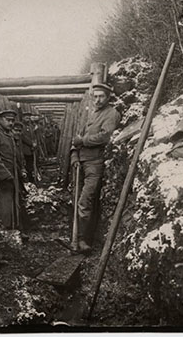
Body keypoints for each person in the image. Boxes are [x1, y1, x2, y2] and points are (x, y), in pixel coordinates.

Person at [70, 83, 121, 254]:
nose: (97, 100)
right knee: (78, 199)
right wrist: (75, 156)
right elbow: (75, 140)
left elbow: (105, 136)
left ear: (108, 97)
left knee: (86, 200)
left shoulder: (111, 114)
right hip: (82, 162)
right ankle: (76, 236)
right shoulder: (91, 114)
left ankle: (83, 240)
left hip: (94, 163)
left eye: (101, 96)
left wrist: (83, 141)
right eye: (95, 96)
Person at [0, 110, 22, 229]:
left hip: (13, 172)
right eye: (8, 120)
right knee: (5, 201)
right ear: (0, 119)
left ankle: (15, 225)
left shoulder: (9, 134)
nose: (11, 123)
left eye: (12, 120)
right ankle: (6, 228)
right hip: (3, 175)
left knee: (15, 200)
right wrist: (5, 174)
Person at [21, 113, 37, 182]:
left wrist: (35, 144)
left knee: (30, 164)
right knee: (26, 165)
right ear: (23, 118)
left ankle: (31, 178)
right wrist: (31, 144)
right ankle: (27, 180)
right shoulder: (21, 127)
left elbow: (33, 136)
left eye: (28, 118)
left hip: (31, 150)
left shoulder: (30, 127)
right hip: (25, 149)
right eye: (26, 118)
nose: (28, 119)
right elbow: (23, 137)